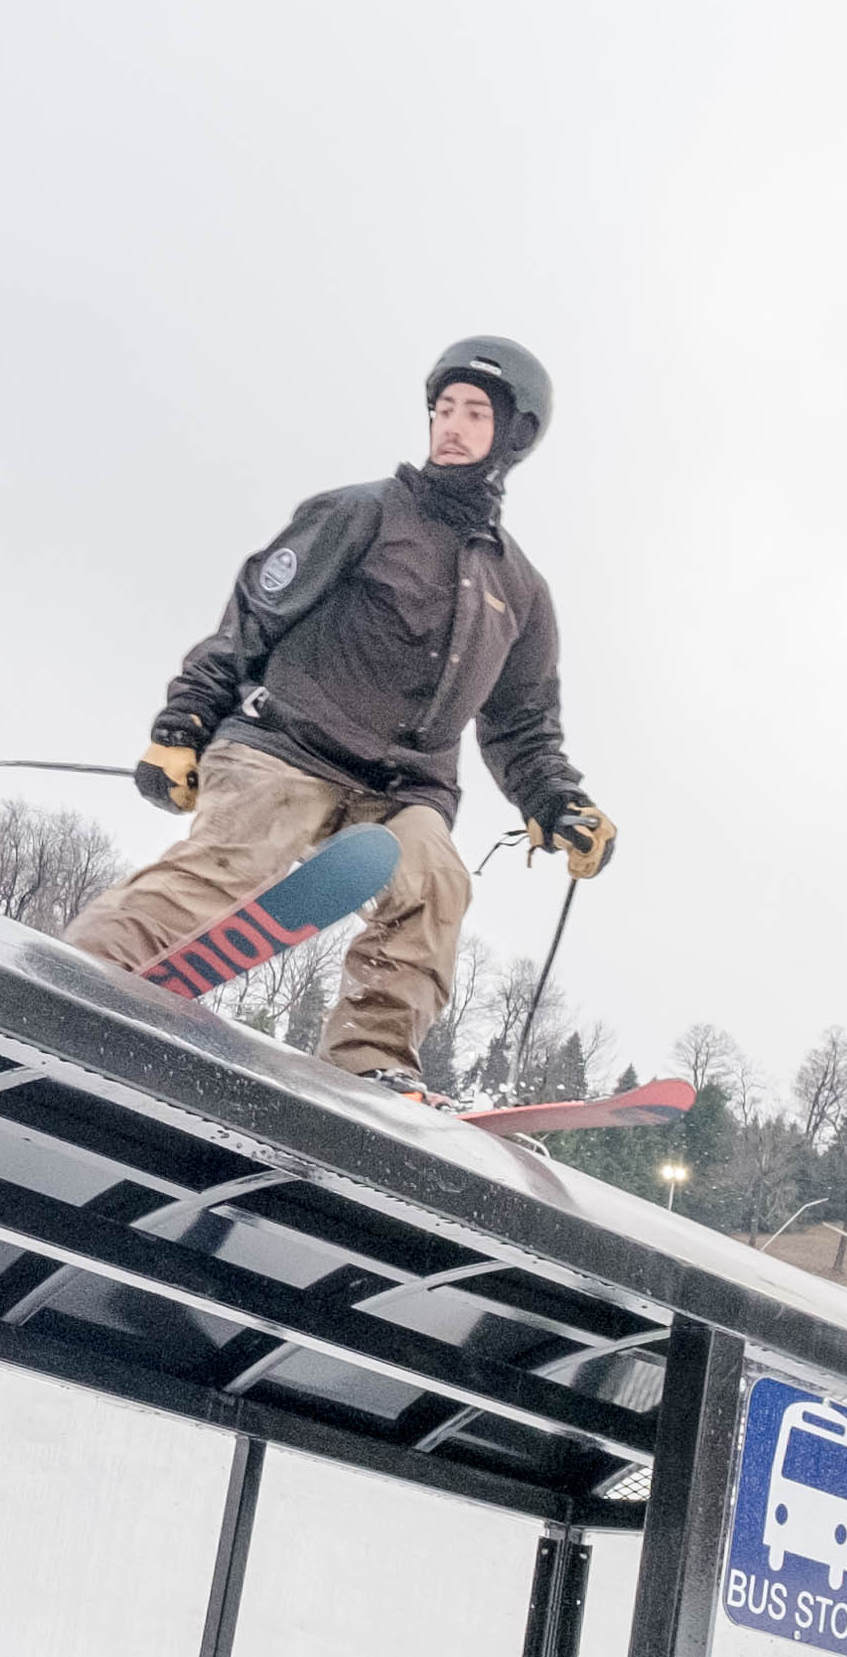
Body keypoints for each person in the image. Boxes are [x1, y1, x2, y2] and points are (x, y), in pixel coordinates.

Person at [59, 335, 617, 1100]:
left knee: (437, 882)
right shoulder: (361, 514)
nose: (451, 425)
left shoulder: (519, 590)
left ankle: (370, 1057)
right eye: (442, 408)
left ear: (514, 436)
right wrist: (181, 728)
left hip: (401, 792)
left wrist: (557, 803)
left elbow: (523, 725)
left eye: (474, 413)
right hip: (287, 749)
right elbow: (252, 619)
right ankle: (89, 969)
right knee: (242, 852)